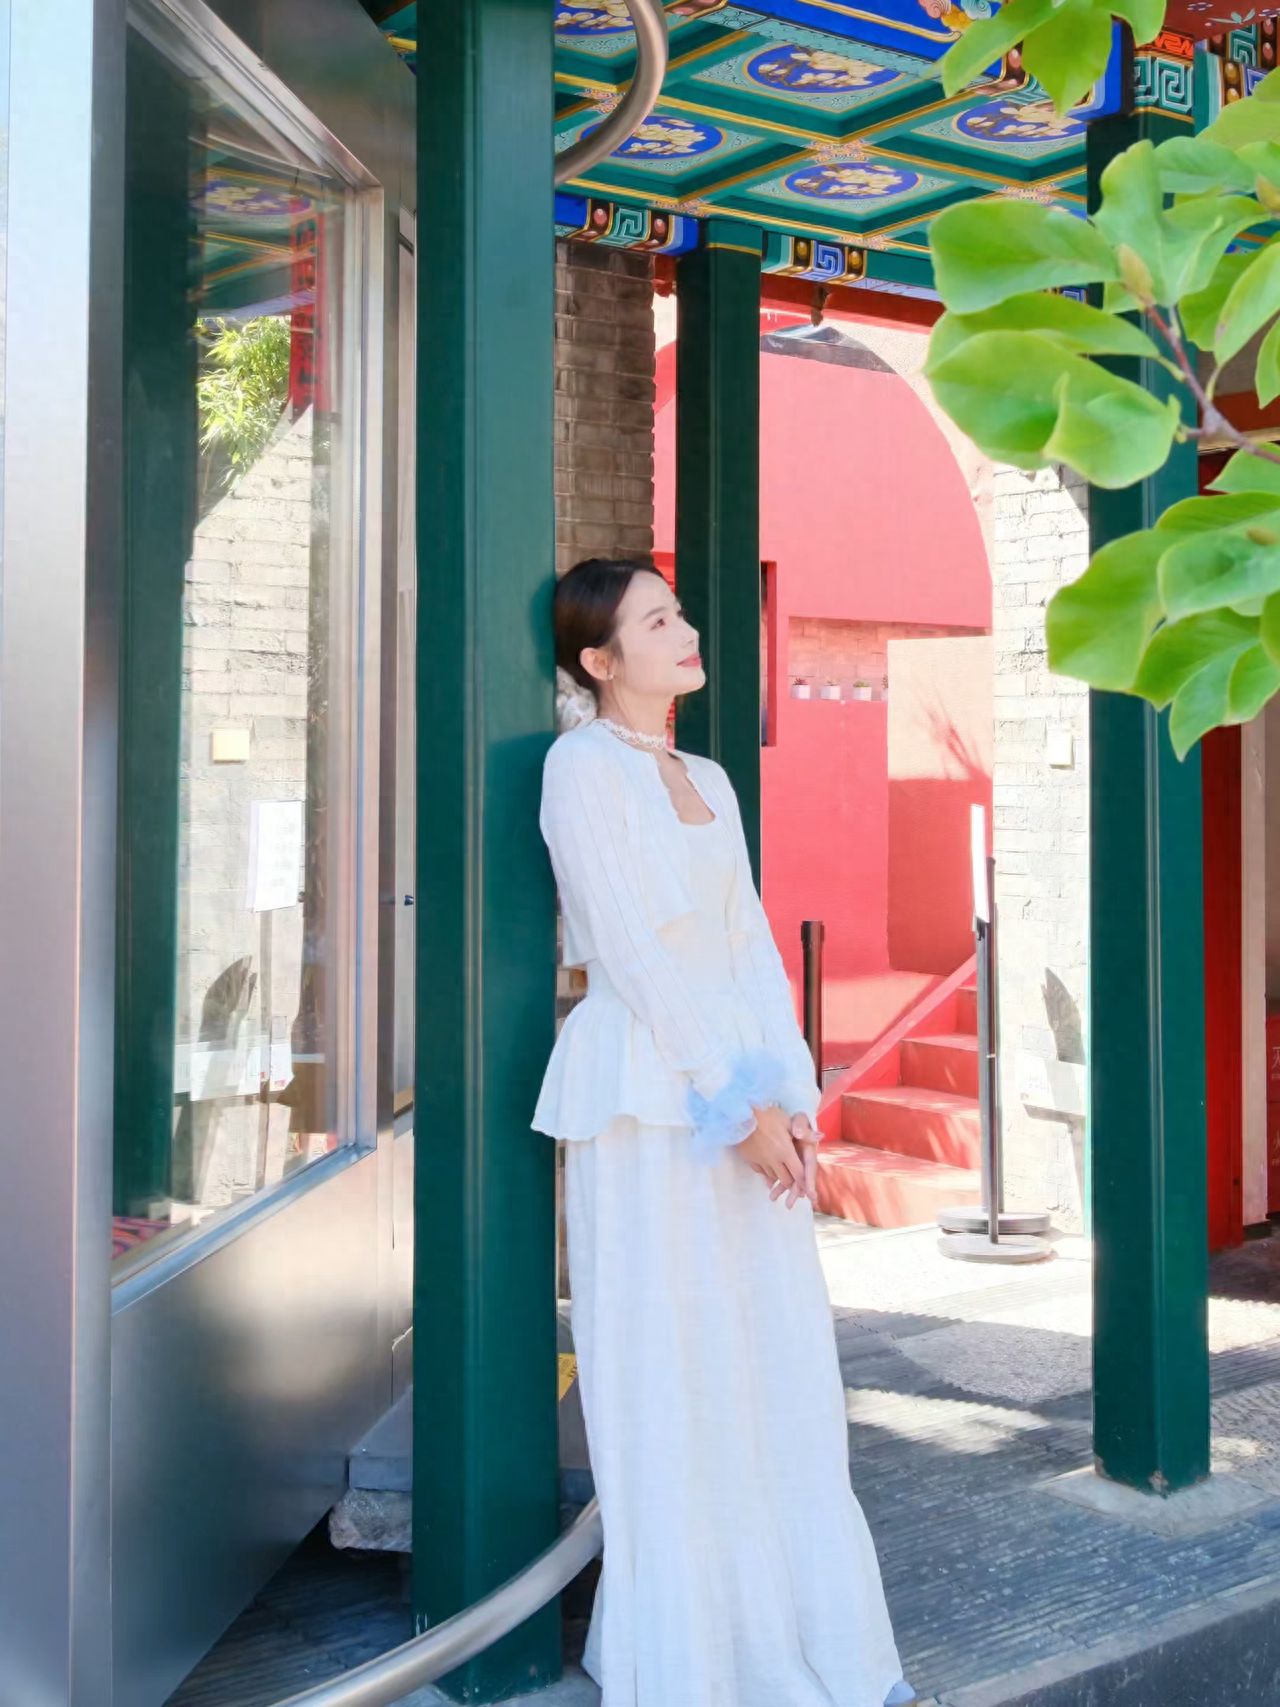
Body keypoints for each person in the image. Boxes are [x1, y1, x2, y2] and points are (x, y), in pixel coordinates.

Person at [532, 557, 915, 1707]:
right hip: (649, 1102)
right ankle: (693, 1660)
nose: (687, 628)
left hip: (739, 1094)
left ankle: (809, 1640)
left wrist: (789, 1097)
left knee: (775, 1367)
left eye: (679, 610)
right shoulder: (578, 770)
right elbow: (634, 955)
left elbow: (745, 945)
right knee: (669, 1368)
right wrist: (729, 1106)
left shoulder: (707, 773)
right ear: (600, 662)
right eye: (658, 619)